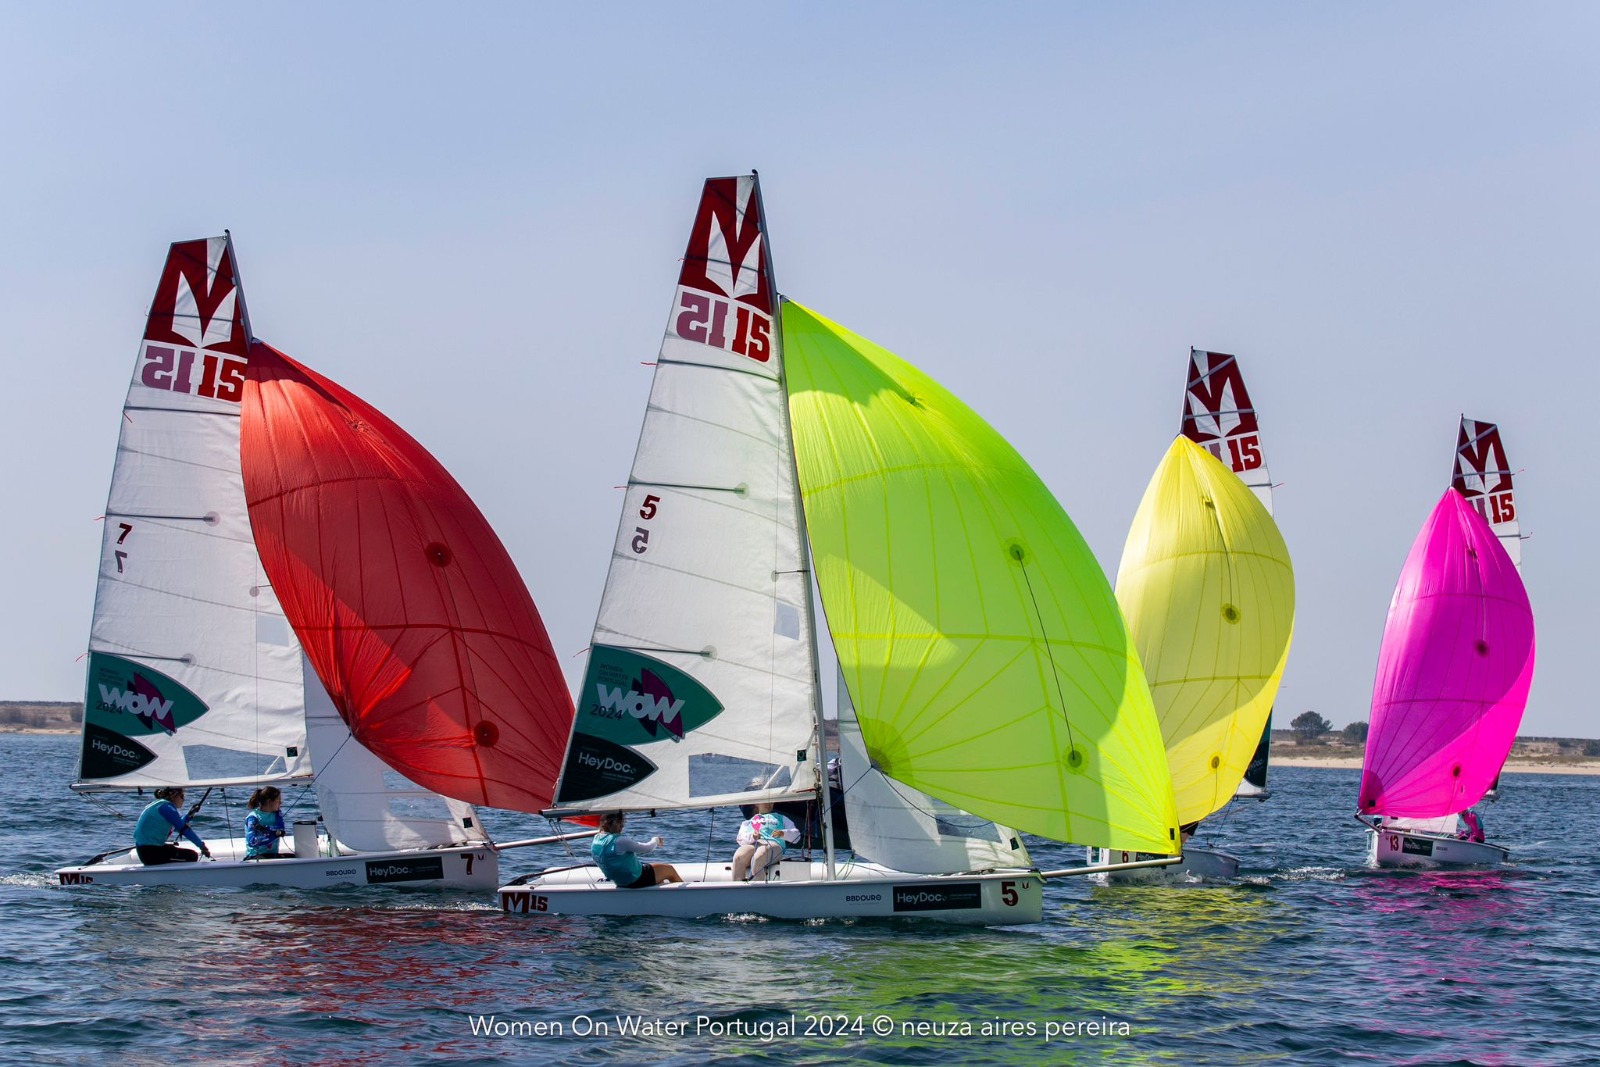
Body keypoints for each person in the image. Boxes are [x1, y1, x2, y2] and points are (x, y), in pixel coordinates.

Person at [590, 813, 682, 888]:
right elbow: (647, 848)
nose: (622, 826)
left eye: (622, 823)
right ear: (610, 823)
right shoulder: (620, 841)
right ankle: (684, 898)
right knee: (670, 870)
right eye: (619, 823)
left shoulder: (596, 839)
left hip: (619, 881)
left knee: (656, 874)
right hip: (636, 879)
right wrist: (656, 840)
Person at [134, 787, 211, 864]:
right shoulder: (167, 808)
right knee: (192, 856)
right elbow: (184, 829)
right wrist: (202, 846)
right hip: (150, 853)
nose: (183, 799)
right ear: (174, 796)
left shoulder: (160, 805)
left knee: (172, 848)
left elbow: (177, 826)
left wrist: (189, 815)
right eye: (182, 796)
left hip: (145, 850)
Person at [732, 802, 800, 882]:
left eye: (771, 802)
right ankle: (738, 888)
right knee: (738, 857)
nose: (768, 804)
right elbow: (740, 839)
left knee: (759, 857)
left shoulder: (782, 818)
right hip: (754, 843)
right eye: (765, 801)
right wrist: (752, 836)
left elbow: (797, 835)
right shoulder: (748, 822)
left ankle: (758, 890)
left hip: (773, 844)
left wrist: (783, 833)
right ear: (757, 804)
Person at [244, 786, 290, 859]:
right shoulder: (253, 817)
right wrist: (274, 835)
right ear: (269, 801)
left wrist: (265, 828)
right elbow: (252, 841)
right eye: (278, 800)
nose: (281, 803)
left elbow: (280, 829)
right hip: (254, 856)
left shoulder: (277, 814)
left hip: (272, 854)